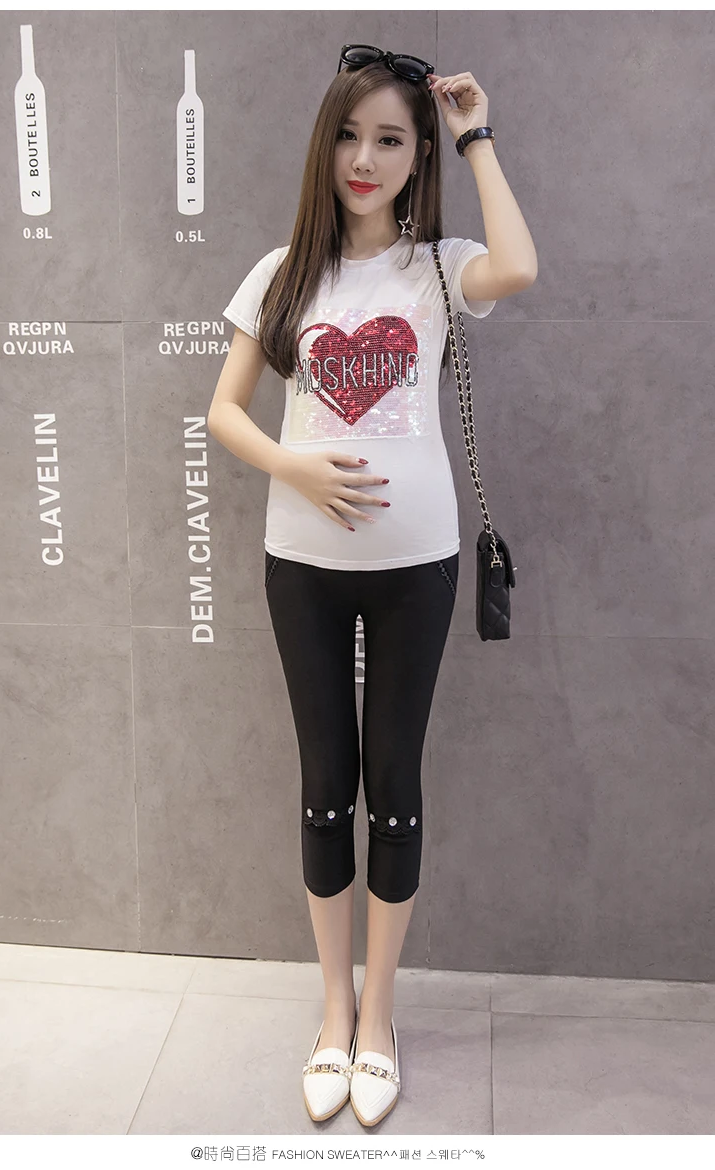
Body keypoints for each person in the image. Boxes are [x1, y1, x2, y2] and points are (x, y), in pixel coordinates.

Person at [208, 45, 536, 1126]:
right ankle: (332, 1013)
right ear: (326, 144)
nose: (365, 158)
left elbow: (520, 267)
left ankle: (381, 1019)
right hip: (300, 567)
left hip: (416, 567)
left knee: (394, 786)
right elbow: (224, 412)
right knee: (323, 785)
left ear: (417, 156)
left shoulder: (438, 267)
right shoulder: (283, 272)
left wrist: (476, 134)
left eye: (391, 139)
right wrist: (295, 465)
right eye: (350, 135)